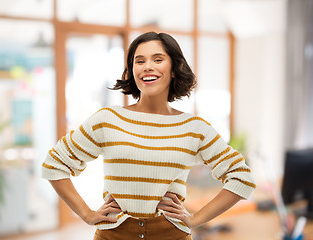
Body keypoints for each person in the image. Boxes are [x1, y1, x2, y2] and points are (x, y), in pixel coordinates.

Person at [42, 32, 256, 240]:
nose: (147, 67)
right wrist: (86, 214)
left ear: (174, 68)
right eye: (139, 61)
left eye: (158, 59)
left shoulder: (195, 128)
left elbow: (241, 177)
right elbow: (54, 164)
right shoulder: (108, 119)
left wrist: (196, 219)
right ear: (132, 70)